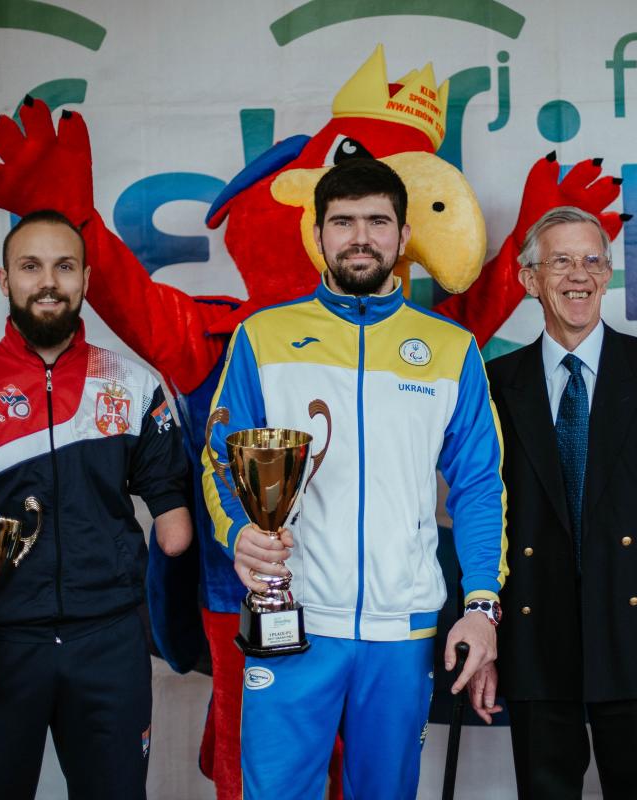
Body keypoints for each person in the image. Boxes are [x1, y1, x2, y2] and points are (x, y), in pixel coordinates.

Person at [202, 158, 507, 800]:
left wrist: (481, 605)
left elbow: (479, 482)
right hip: (292, 617)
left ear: (401, 237)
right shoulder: (264, 336)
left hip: (401, 630)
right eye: (343, 221)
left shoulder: (450, 348)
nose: (360, 236)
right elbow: (221, 459)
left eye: (377, 221)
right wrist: (238, 533)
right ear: (318, 234)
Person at [0, 210, 192, 800]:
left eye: (63, 266)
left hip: (108, 644)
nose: (47, 281)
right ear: (4, 281)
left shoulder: (132, 383)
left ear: (85, 279)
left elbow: (176, 523)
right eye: (30, 266)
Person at [475, 206, 637, 798]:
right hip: (534, 640)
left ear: (608, 274)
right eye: (560, 261)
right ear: (529, 280)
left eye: (592, 260)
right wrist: (482, 637)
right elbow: (479, 513)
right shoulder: (491, 382)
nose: (578, 275)